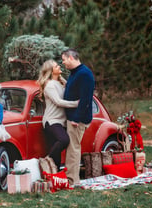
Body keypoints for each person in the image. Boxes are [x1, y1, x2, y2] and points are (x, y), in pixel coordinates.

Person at [37, 59, 79, 169]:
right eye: (56, 66)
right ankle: (46, 160)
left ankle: (56, 175)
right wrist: (76, 104)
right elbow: (59, 102)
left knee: (57, 153)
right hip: (52, 121)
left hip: (61, 121)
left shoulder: (60, 83)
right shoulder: (50, 85)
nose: (59, 67)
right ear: (51, 71)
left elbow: (71, 88)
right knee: (64, 140)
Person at [62, 49, 95, 186]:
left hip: (77, 119)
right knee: (72, 147)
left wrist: (76, 118)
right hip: (71, 117)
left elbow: (86, 99)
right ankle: (71, 178)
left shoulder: (85, 74)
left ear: (70, 58)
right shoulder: (75, 73)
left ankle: (72, 180)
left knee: (73, 148)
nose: (63, 63)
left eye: (64, 60)